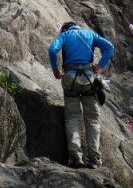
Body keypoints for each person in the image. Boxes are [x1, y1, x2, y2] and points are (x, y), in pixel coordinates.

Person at [48, 21, 114, 169]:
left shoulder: (64, 36)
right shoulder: (90, 34)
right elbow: (110, 47)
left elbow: (52, 50)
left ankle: (76, 157)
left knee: (72, 117)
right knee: (92, 119)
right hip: (88, 79)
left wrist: (55, 70)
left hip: (70, 78)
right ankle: (94, 159)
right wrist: (99, 66)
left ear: (65, 29)